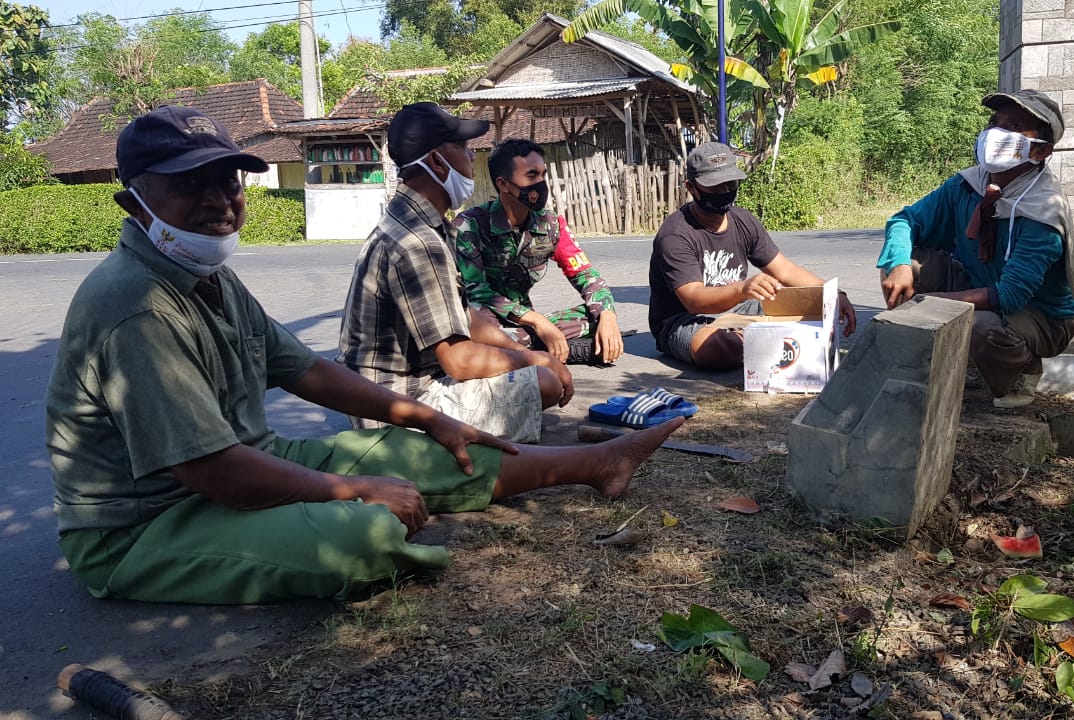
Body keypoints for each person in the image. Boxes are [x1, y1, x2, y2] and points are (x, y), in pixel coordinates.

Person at [45, 106, 685, 605]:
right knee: (366, 536)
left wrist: (425, 418)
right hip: (149, 524)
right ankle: (372, 511)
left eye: (228, 179)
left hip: (248, 460)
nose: (220, 199)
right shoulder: (135, 306)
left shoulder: (207, 277)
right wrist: (347, 491)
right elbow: (211, 472)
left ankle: (599, 462)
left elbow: (307, 369)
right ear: (133, 200)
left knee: (433, 447)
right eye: (191, 184)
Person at [338, 103, 575, 443]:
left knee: (531, 366)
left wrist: (519, 353)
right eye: (463, 149)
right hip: (400, 405)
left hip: (392, 389)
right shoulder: (420, 242)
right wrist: (532, 361)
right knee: (544, 383)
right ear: (437, 161)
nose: (470, 157)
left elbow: (466, 314)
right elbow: (459, 361)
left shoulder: (419, 223)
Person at [876, 89, 1074, 408]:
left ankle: (1023, 368)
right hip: (977, 282)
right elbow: (905, 220)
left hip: (1041, 315)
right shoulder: (968, 185)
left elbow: (1009, 295)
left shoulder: (1044, 212)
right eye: (995, 123)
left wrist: (929, 303)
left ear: (1040, 152)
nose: (998, 133)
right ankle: (952, 362)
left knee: (981, 327)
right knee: (905, 266)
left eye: (1014, 127)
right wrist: (900, 264)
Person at [648, 142, 857, 369]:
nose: (725, 192)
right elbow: (694, 299)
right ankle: (773, 344)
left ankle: (762, 342)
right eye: (715, 187)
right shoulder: (675, 235)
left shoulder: (743, 220)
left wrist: (833, 294)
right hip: (686, 320)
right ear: (691, 188)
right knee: (715, 348)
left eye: (730, 184)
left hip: (739, 308)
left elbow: (785, 270)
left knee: (810, 304)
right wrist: (743, 289)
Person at [455, 138, 624, 366]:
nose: (541, 184)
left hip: (525, 326)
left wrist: (607, 315)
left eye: (543, 175)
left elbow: (585, 275)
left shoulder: (551, 225)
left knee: (595, 316)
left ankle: (533, 350)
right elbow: (478, 292)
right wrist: (537, 321)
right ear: (503, 184)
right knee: (478, 332)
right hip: (487, 321)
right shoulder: (470, 226)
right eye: (532, 176)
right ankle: (553, 350)